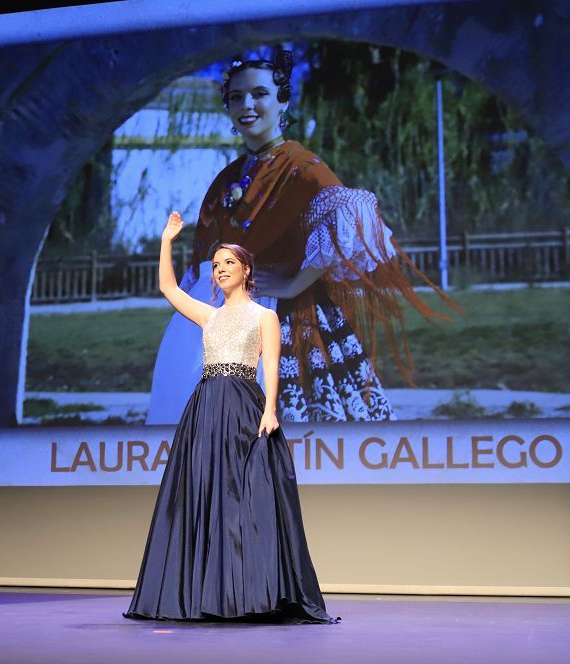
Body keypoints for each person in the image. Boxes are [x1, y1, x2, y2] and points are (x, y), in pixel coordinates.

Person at [146, 50, 458, 425]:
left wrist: (295, 284)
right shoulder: (226, 178)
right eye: (237, 97)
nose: (247, 105)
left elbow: (349, 219)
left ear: (283, 102)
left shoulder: (301, 167)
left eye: (259, 94)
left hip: (286, 321)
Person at [123, 211, 337, 623]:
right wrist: (168, 239)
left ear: (246, 270)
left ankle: (249, 594)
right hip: (205, 405)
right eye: (217, 265)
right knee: (202, 494)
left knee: (244, 500)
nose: (220, 270)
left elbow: (270, 365)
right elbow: (168, 287)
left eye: (228, 264)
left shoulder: (264, 316)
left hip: (243, 404)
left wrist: (270, 409)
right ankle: (203, 595)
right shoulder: (210, 315)